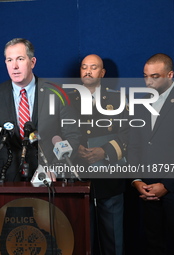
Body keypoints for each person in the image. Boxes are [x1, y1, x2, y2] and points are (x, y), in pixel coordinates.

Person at [0, 38, 81, 182]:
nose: (14, 66)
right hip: (4, 181)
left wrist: (55, 169)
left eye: (20, 59)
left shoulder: (56, 93)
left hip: (48, 181)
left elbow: (73, 135)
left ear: (32, 62)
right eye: (9, 60)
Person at [128, 53, 174, 255]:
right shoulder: (140, 104)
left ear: (170, 75)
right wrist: (136, 180)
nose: (148, 81)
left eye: (155, 76)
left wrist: (167, 185)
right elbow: (134, 145)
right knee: (152, 246)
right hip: (146, 192)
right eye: (145, 76)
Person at [68, 54, 128, 255]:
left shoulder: (117, 99)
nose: (88, 71)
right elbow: (57, 132)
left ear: (102, 73)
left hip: (110, 179)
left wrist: (105, 151)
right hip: (77, 178)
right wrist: (73, 148)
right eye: (84, 67)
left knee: (113, 241)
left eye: (93, 67)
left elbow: (129, 133)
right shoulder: (67, 100)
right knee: (81, 239)